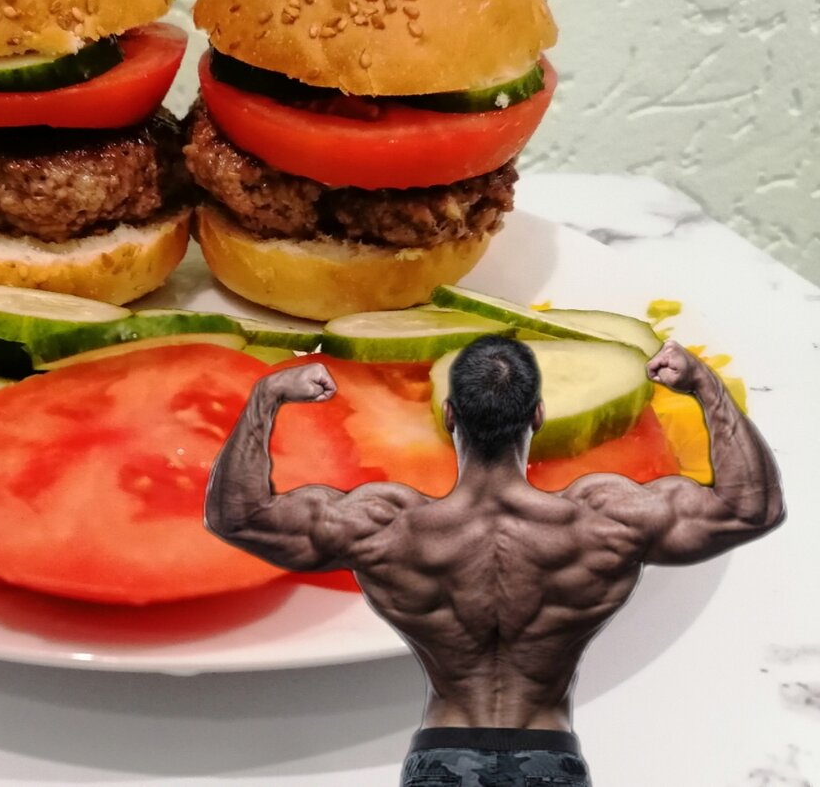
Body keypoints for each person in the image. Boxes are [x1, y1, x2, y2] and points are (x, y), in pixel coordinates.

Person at [205, 336, 784, 787]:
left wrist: (266, 398)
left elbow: (238, 517)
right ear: (537, 416)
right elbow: (751, 509)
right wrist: (706, 388)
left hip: (444, 757)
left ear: (450, 415)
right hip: (547, 757)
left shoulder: (388, 526)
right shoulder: (603, 521)